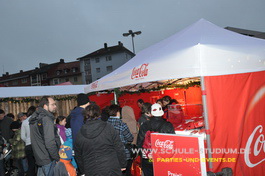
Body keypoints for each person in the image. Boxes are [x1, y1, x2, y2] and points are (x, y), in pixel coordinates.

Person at [74, 104, 127, 175]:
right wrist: (122, 164)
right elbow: (119, 147)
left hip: (91, 169)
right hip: (111, 167)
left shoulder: (79, 134)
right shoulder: (108, 127)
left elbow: (78, 155)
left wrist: (83, 171)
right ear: (99, 113)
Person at [137, 103, 175, 176]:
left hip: (147, 156)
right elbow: (172, 142)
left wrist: (141, 154)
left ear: (151, 112)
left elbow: (140, 141)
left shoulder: (144, 125)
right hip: (162, 157)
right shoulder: (168, 125)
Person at [29, 96, 61, 176]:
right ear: (45, 106)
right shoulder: (46, 119)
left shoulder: (35, 118)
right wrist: (57, 158)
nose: (55, 106)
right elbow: (50, 142)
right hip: (48, 158)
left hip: (40, 158)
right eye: (53, 104)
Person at [108, 105, 134, 176]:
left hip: (110, 153)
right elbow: (130, 138)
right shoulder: (121, 124)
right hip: (123, 153)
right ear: (117, 112)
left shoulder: (105, 124)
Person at [21, 106, 37, 176]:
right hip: (37, 145)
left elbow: (22, 136)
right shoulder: (38, 120)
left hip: (28, 145)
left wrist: (27, 141)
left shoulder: (24, 122)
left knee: (30, 165)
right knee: (40, 164)